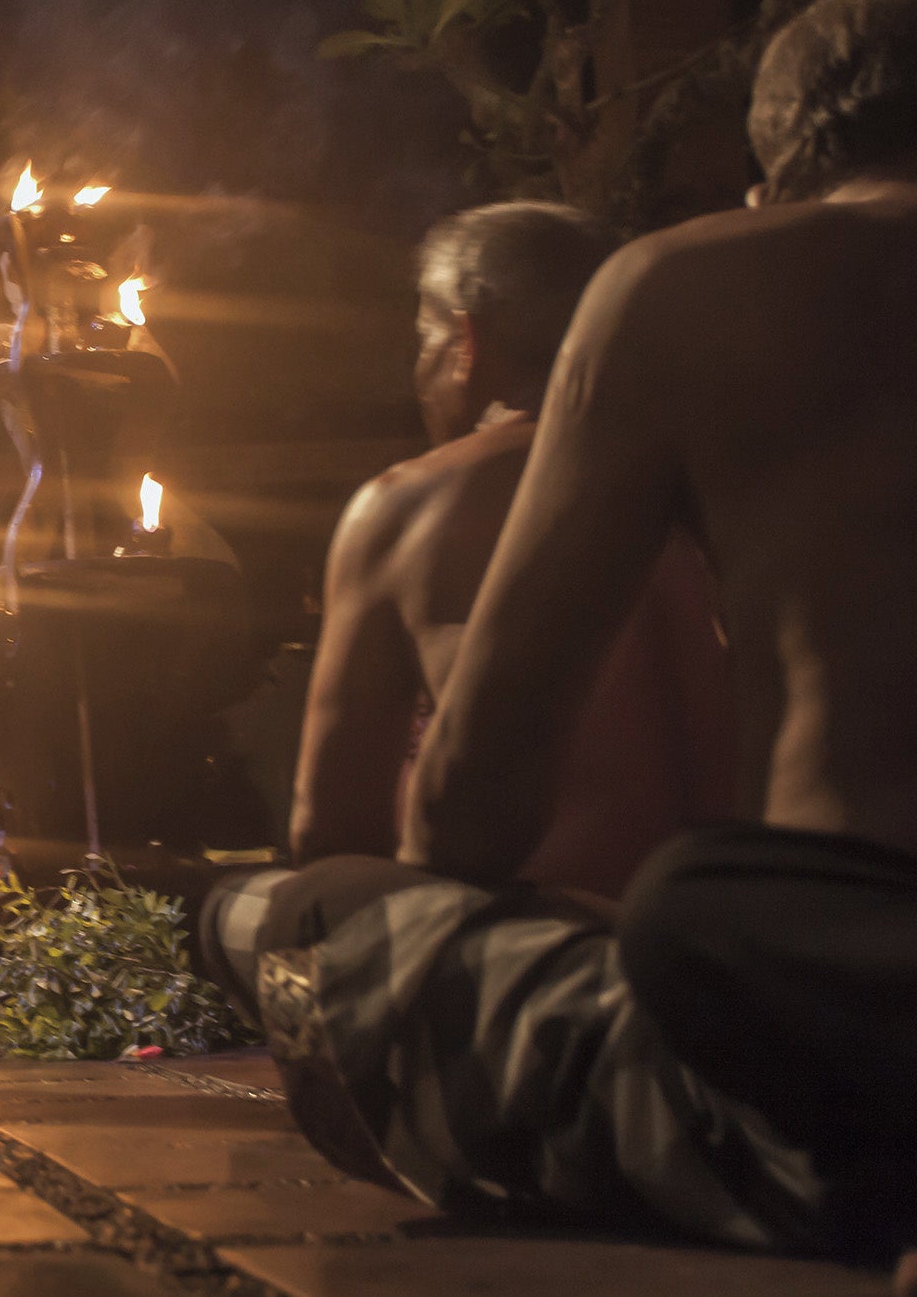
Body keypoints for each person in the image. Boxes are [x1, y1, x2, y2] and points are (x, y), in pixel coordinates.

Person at [192, 0, 917, 1292]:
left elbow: (462, 806)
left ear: (781, 167)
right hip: (833, 959)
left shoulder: (694, 293)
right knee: (704, 906)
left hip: (820, 1056)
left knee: (284, 917)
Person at [290, 202, 738, 899]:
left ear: (468, 343)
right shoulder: (728, 477)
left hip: (537, 949)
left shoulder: (408, 507)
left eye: (424, 338)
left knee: (274, 909)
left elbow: (331, 826)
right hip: (734, 930)